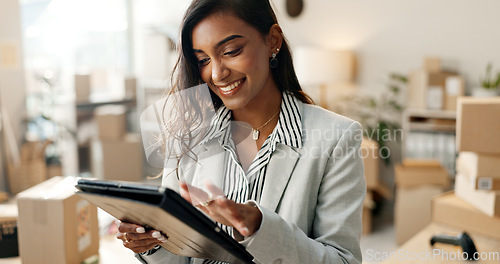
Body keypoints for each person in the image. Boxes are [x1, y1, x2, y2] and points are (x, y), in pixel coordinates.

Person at [116, 0, 366, 263]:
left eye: (231, 51)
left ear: (272, 40)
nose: (217, 73)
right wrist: (150, 244)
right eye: (202, 60)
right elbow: (179, 256)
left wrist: (261, 228)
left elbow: (343, 260)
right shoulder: (187, 138)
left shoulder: (337, 137)